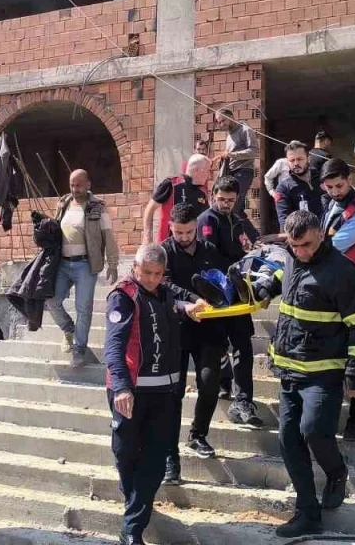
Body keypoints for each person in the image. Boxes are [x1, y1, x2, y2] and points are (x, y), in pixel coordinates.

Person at [270, 211, 355, 538]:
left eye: (306, 244)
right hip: (290, 370)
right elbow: (281, 284)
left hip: (324, 372)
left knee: (314, 431)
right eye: (294, 245)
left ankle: (336, 472)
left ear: (320, 233)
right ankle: (307, 513)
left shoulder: (342, 271)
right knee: (288, 441)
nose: (300, 251)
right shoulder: (291, 259)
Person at [105, 244, 206, 545]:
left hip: (164, 392)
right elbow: (114, 345)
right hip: (130, 391)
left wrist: (189, 306)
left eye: (157, 274)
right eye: (146, 273)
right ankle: (135, 503)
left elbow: (175, 301)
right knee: (125, 453)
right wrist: (122, 386)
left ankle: (132, 528)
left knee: (155, 459)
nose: (151, 279)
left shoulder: (165, 292)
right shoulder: (123, 297)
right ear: (135, 268)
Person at [159, 203, 230, 486]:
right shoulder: (163, 252)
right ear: (171, 228)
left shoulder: (210, 250)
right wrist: (190, 300)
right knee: (172, 395)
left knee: (210, 384)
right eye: (179, 232)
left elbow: (221, 283)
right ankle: (169, 457)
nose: (185, 237)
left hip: (208, 329)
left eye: (189, 232)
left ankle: (198, 435)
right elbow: (164, 285)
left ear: (196, 228)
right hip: (176, 330)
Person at [195, 177, 263, 427]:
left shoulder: (238, 220)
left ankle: (244, 400)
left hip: (239, 294)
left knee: (243, 345)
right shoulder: (207, 220)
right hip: (217, 294)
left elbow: (251, 243)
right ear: (213, 195)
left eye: (230, 200)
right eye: (221, 199)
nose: (225, 203)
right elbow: (209, 254)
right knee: (218, 347)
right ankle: (225, 383)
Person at [320, 158, 355, 442]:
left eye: (339, 186)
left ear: (349, 179)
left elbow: (334, 245)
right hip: (334, 289)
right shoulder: (331, 204)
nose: (335, 191)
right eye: (329, 187)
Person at [50, 169, 120, 368]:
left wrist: (113, 264)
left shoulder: (98, 207)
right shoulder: (63, 203)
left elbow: (108, 235)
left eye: (79, 185)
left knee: (83, 308)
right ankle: (68, 329)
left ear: (88, 185)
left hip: (85, 265)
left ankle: (79, 349)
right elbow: (55, 230)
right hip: (62, 264)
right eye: (72, 185)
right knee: (52, 301)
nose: (75, 189)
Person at [142, 154, 210, 245]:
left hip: (193, 246)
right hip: (168, 245)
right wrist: (147, 237)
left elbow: (206, 218)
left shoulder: (202, 192)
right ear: (196, 170)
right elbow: (150, 209)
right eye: (207, 170)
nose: (209, 175)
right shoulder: (172, 184)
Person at [211, 108, 258, 217]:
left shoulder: (245, 130)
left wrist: (231, 155)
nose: (221, 124)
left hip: (243, 172)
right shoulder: (229, 135)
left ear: (231, 117)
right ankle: (247, 229)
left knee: (233, 207)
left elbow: (254, 151)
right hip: (232, 173)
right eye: (219, 122)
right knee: (238, 211)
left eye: (223, 120)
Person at [274, 140, 323, 229]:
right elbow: (284, 222)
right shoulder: (283, 188)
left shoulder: (322, 179)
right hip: (303, 234)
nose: (296, 163)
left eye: (300, 159)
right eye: (292, 160)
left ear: (308, 158)